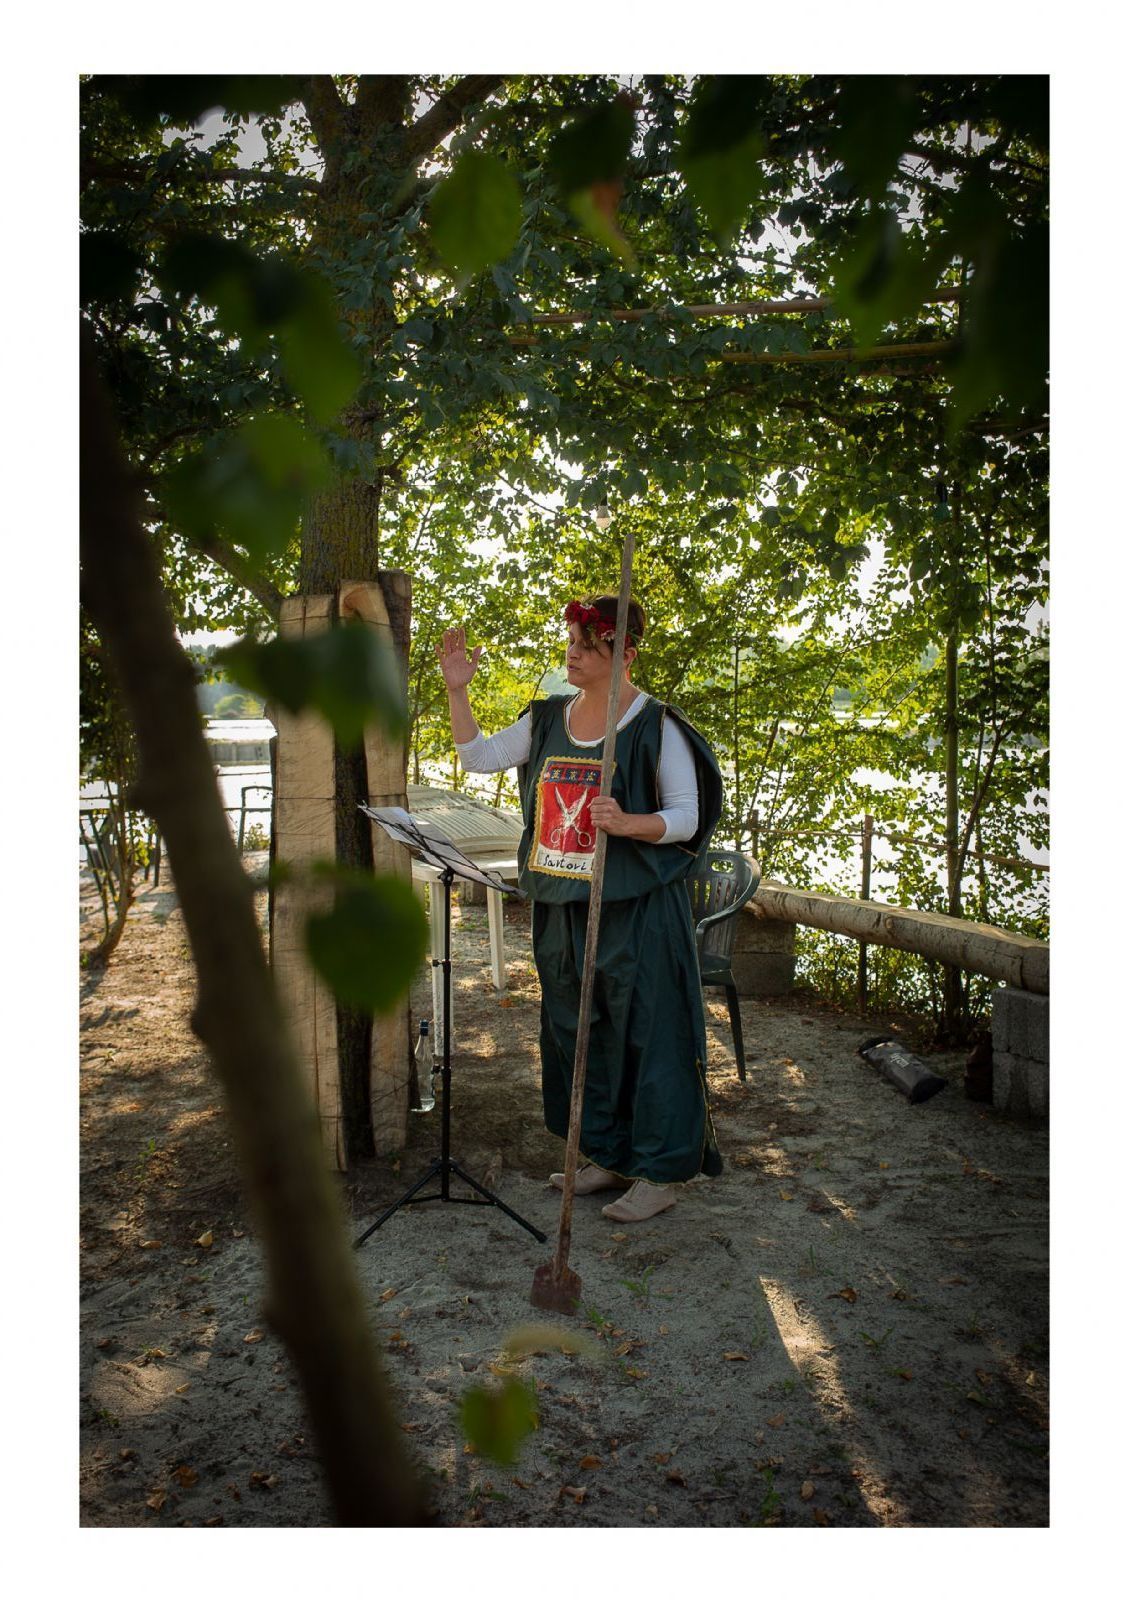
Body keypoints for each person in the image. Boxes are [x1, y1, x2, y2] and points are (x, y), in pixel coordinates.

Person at [436, 595, 725, 1223]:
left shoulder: (656, 726)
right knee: (578, 1033)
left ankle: (658, 1171)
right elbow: (478, 757)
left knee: (648, 1036)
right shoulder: (548, 719)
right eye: (570, 641)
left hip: (637, 910)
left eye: (586, 645)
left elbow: (687, 817)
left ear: (625, 653)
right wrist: (458, 691)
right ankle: (606, 1152)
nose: (571, 653)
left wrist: (628, 822)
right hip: (563, 907)